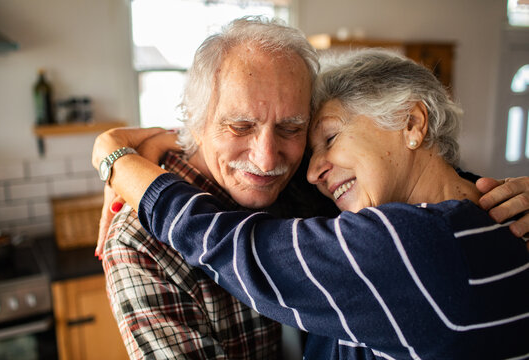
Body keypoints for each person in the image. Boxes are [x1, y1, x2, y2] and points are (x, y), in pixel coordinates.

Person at [92, 49, 529, 359]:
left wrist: (114, 156)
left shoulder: (410, 244)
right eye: (240, 125)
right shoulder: (487, 217)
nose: (313, 171)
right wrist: (186, 136)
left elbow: (232, 244)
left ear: (412, 123)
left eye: (330, 138)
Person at [97, 16, 335, 359]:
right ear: (196, 122)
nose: (267, 160)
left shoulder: (307, 181)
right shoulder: (140, 240)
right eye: (240, 127)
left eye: (290, 128)